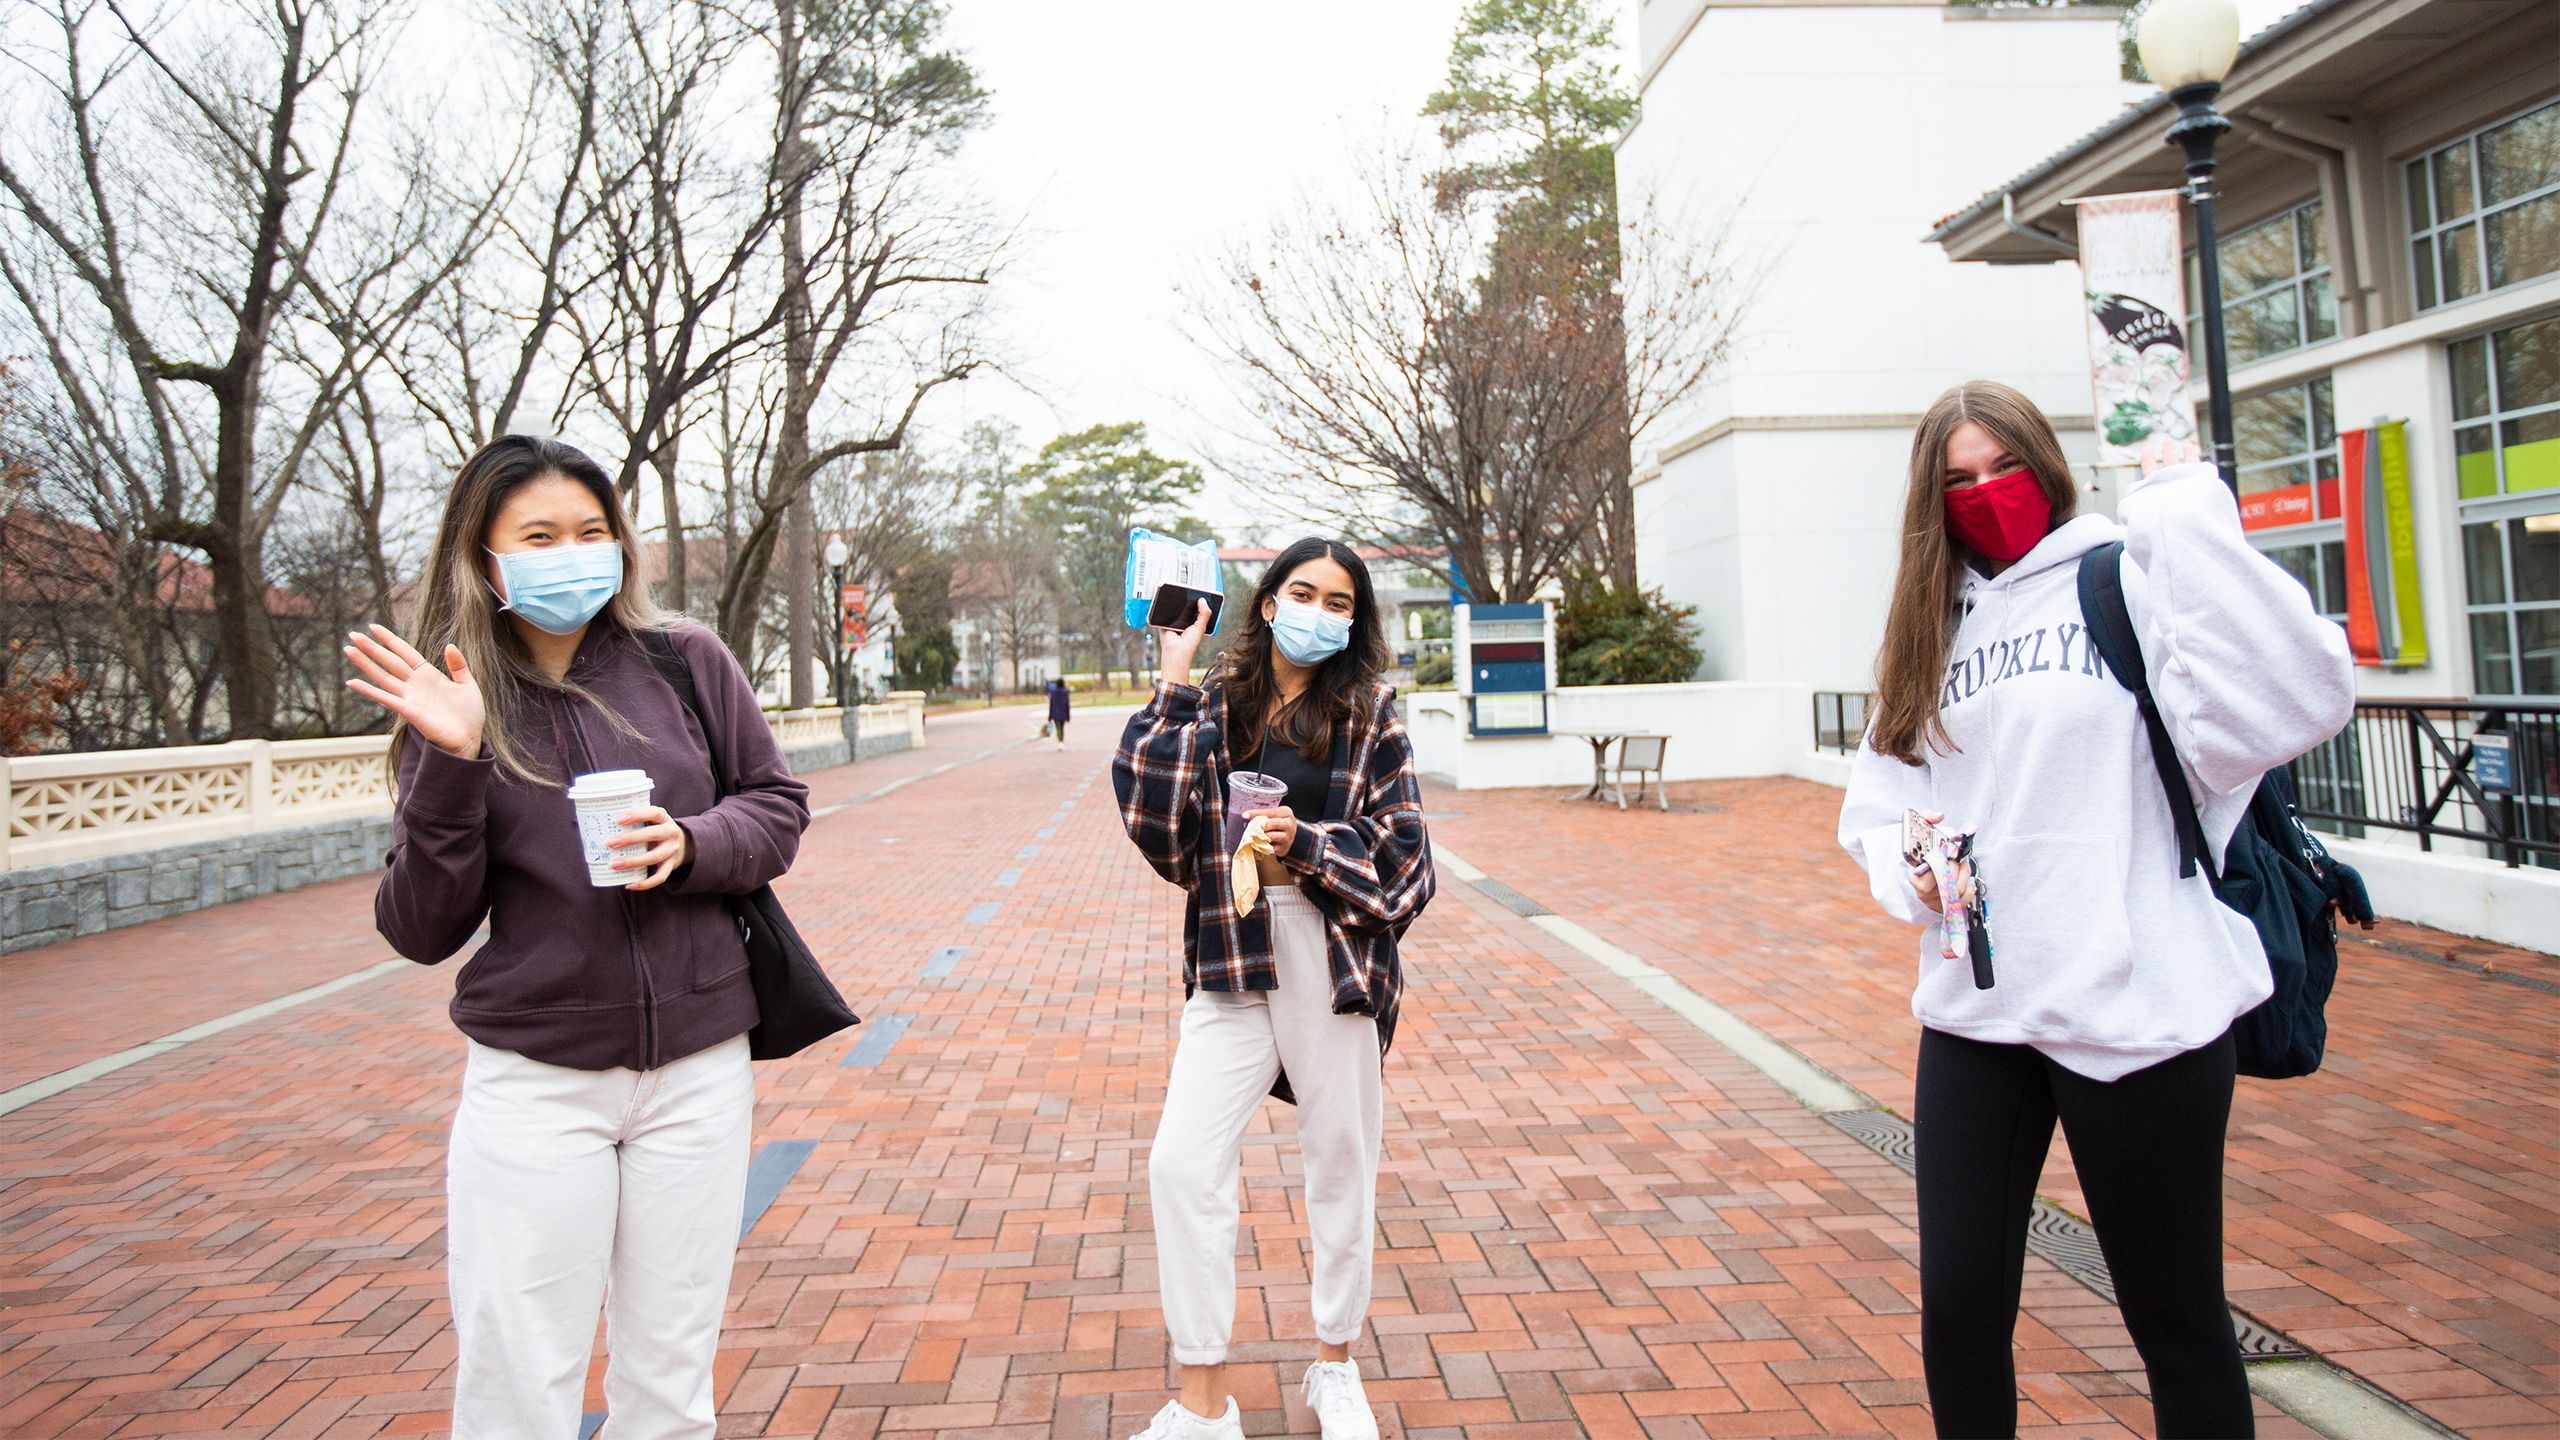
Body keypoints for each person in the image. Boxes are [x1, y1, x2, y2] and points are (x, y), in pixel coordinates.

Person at [1837, 382, 2354, 1439]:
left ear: (2047, 465)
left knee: (2174, 1320)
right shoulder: (1932, 629)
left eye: (2003, 469)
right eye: (1958, 481)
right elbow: (1885, 799)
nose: (1986, 496)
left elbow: (2304, 694)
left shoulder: (2126, 580)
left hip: (2140, 1011)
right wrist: (1913, 866)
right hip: (1981, 1014)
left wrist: (2178, 506)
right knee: (1959, 1315)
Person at [354, 435, 809, 1440]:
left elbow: (776, 807)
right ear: (485, 557)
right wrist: (454, 757)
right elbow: (421, 927)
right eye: (540, 535)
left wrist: (691, 843)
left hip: (698, 1073)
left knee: (671, 1377)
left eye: (591, 530)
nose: (573, 552)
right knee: (520, 1380)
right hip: (538, 1085)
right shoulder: (456, 698)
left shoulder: (683, 661)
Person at [1112, 540, 1435, 1440]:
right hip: (1231, 951)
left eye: (1339, 602)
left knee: (1340, 1162)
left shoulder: (1371, 714)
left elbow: (1408, 868)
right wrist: (1175, 679)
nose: (1319, 613)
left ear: (1356, 619)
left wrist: (1305, 845)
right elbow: (1155, 824)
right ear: (1265, 604)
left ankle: (1334, 1366)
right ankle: (1204, 1402)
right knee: (1181, 1162)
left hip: (1332, 956)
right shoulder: (1217, 703)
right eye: (1302, 593)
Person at [1049, 676, 1071, 748]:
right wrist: (1068, 716)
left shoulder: (1053, 693)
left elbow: (1051, 704)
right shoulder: (1065, 692)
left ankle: (1060, 741)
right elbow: (1067, 705)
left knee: (1058, 728)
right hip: (1063, 713)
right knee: (1061, 728)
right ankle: (1061, 741)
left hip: (1055, 713)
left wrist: (1050, 715)